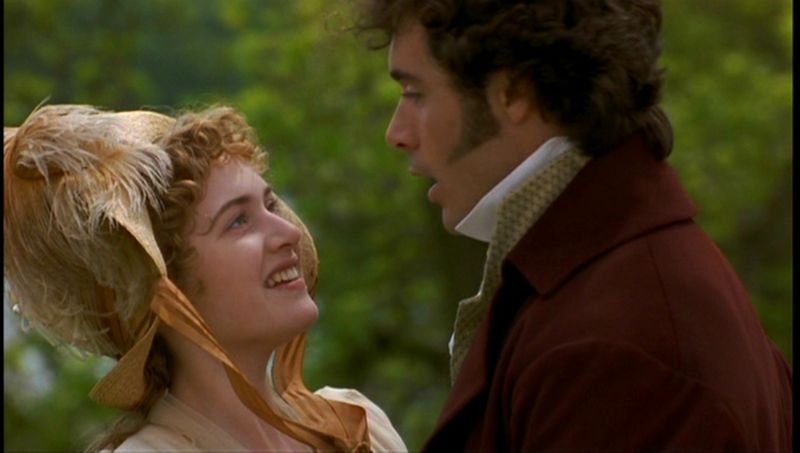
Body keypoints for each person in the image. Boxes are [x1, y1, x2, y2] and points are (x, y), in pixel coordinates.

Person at [355, 0, 792, 451]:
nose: (397, 134)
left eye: (415, 93)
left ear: (513, 93)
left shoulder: (616, 344)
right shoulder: (611, 282)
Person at [4, 104, 407, 452]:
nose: (289, 233)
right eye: (239, 221)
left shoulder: (361, 424)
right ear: (168, 289)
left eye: (270, 206)